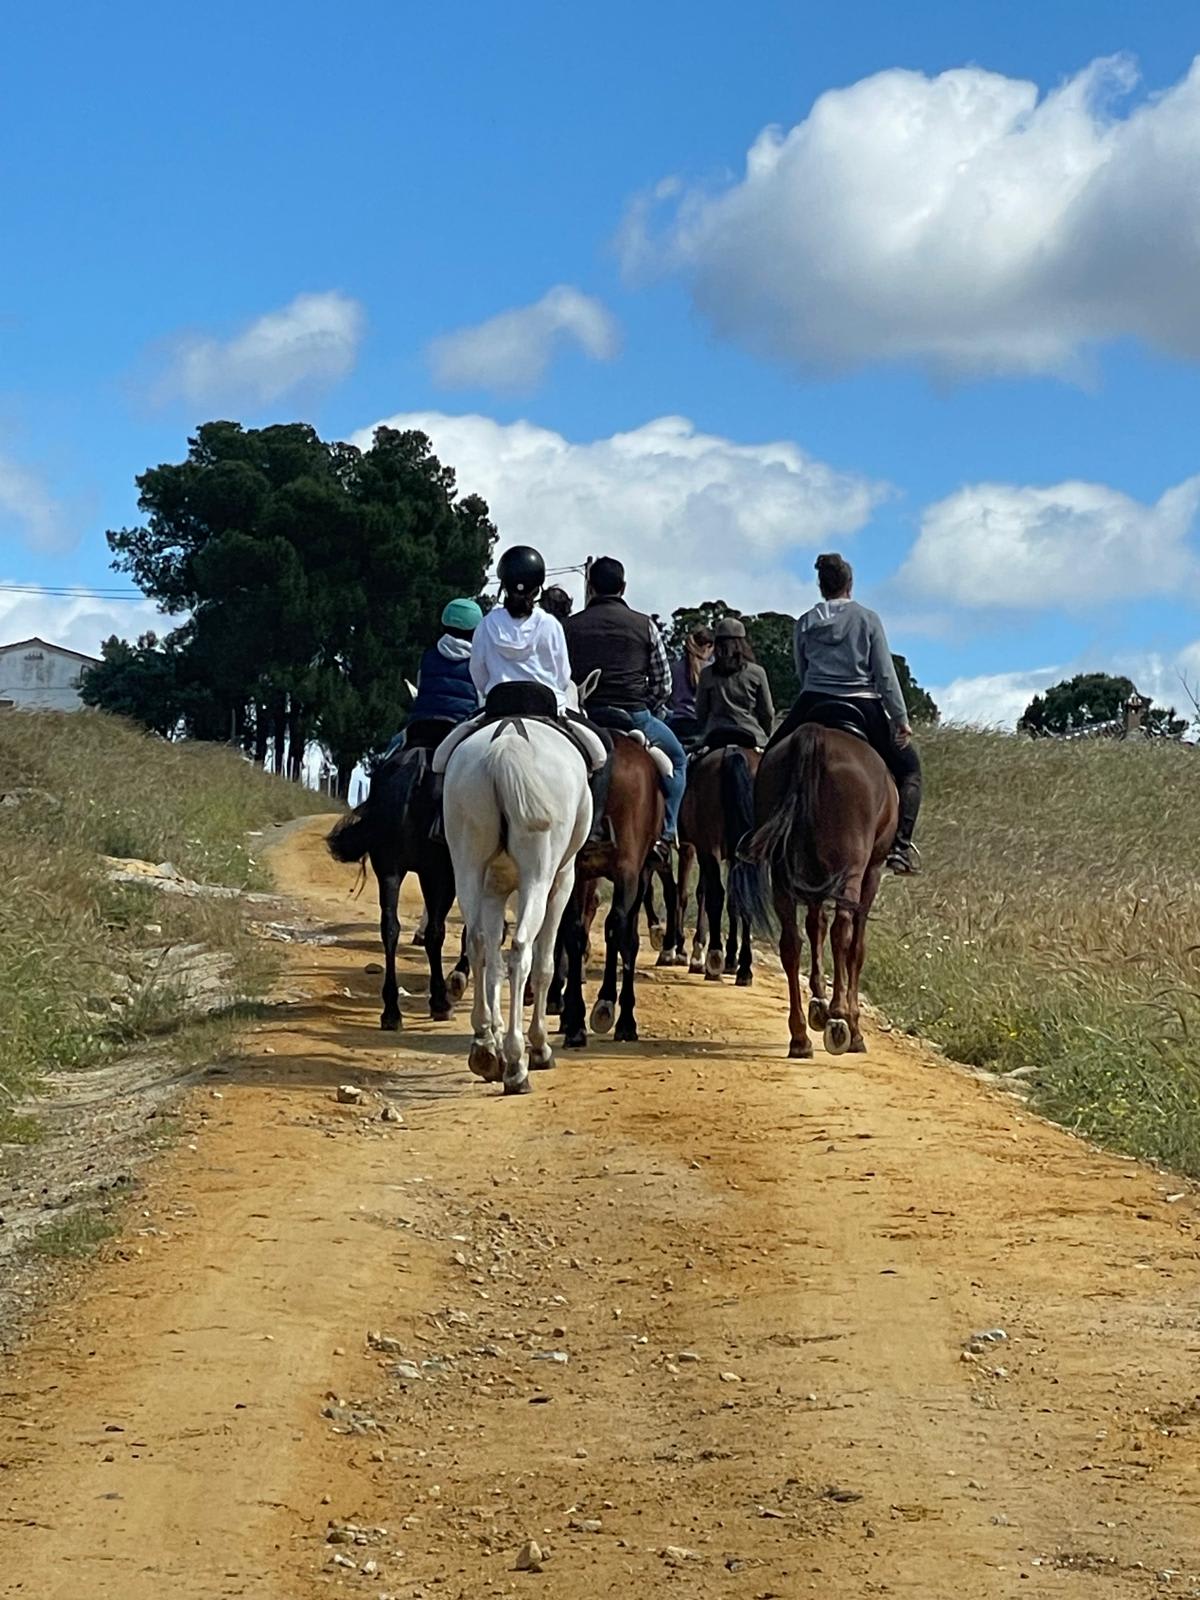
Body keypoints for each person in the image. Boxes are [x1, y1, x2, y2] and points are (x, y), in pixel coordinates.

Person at [771, 553, 922, 874]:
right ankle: (901, 847)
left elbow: (802, 669)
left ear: (821, 586)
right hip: (862, 703)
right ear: (849, 585)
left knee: (769, 758)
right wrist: (900, 718)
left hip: (812, 700)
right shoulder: (868, 619)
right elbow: (884, 674)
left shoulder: (806, 622)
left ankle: (755, 835)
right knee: (910, 769)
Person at [563, 556, 687, 845]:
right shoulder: (645, 625)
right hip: (635, 716)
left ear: (590, 587)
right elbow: (663, 684)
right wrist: (651, 705)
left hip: (587, 716)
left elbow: (561, 675)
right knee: (679, 761)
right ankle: (666, 834)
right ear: (623, 587)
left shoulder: (569, 627)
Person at [382, 597, 482, 758]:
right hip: (461, 727)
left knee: (389, 756)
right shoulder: (478, 660)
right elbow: (481, 698)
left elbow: (421, 689)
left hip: (422, 726)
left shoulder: (428, 656)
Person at [694, 617, 775, 750]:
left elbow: (701, 711)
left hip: (715, 734)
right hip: (751, 734)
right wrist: (765, 733)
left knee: (688, 762)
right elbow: (767, 712)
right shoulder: (757, 672)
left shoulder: (706, 674)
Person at [666, 623, 714, 743]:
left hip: (676, 726)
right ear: (707, 646)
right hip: (703, 727)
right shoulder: (712, 670)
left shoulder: (673, 668)